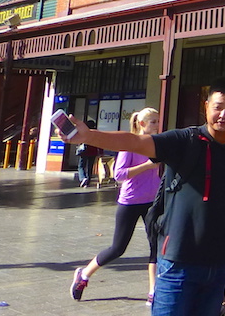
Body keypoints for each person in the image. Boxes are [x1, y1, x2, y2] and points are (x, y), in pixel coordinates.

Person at [62, 78, 225, 316]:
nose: (224, 114)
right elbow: (134, 141)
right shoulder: (185, 140)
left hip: (218, 265)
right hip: (178, 261)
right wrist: (89, 136)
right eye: (218, 106)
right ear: (206, 106)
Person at [70, 108, 162, 304]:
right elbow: (118, 174)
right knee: (118, 248)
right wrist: (148, 165)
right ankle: (84, 274)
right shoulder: (130, 145)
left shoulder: (156, 145)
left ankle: (153, 291)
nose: (157, 125)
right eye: (153, 121)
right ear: (142, 124)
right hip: (130, 201)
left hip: (152, 201)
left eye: (158, 121)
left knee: (156, 245)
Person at [77, 119, 101, 188]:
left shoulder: (85, 132)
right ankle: (88, 181)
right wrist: (100, 152)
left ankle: (83, 178)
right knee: (90, 167)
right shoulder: (96, 133)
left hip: (84, 151)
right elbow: (99, 142)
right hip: (93, 152)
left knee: (81, 166)